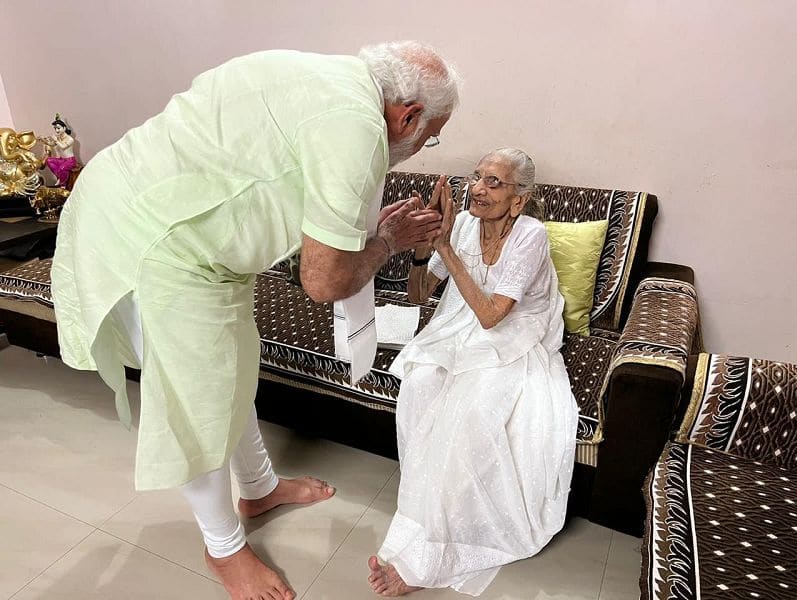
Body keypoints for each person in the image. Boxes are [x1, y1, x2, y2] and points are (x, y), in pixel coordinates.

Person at [50, 42, 460, 600]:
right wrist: (386, 242)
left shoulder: (327, 73)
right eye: (429, 135)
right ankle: (223, 548)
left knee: (233, 368)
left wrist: (372, 237)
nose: (420, 146)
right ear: (407, 116)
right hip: (154, 240)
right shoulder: (357, 128)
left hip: (191, 237)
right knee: (197, 400)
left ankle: (259, 488)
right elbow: (324, 282)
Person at [367, 149, 579, 596]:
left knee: (472, 413)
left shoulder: (531, 235)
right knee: (420, 385)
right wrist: (426, 249)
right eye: (476, 178)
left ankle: (428, 560)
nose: (478, 189)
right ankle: (422, 516)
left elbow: (492, 317)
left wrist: (445, 246)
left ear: (518, 199)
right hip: (459, 328)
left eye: (494, 183)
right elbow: (420, 295)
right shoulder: (462, 224)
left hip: (515, 336)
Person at [41, 114, 77, 187]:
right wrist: (42, 140)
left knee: (62, 168)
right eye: (55, 128)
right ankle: (60, 177)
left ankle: (63, 184)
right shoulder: (59, 137)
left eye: (58, 128)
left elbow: (63, 147)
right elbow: (51, 144)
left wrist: (56, 140)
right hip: (62, 159)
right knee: (49, 160)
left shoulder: (70, 139)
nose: (56, 130)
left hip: (70, 160)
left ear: (64, 128)